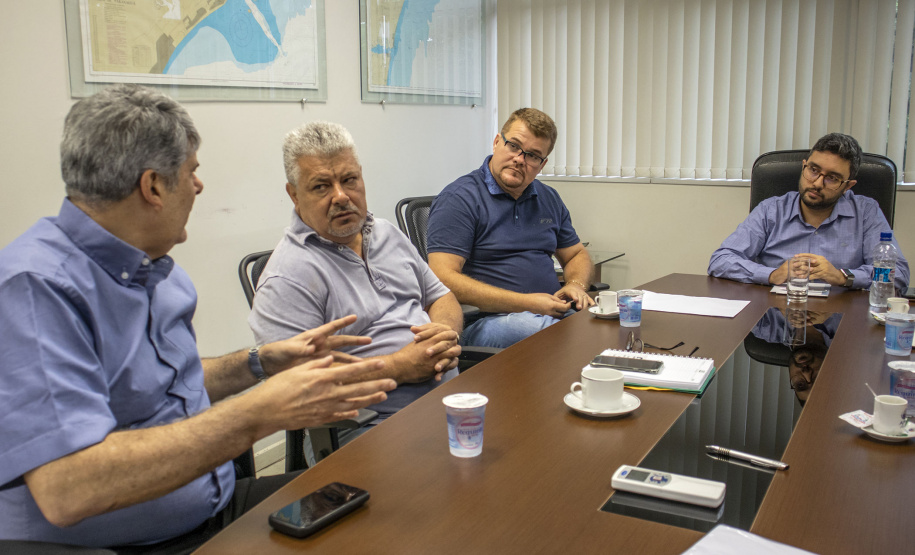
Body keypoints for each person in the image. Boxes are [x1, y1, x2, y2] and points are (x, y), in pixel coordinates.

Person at [0, 84, 397, 552]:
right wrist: (260, 411)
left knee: (389, 503)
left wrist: (260, 363)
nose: (198, 185)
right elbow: (68, 486)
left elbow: (163, 382)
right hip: (126, 543)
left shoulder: (157, 268)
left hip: (215, 505)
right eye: (191, 172)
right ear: (152, 187)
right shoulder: (35, 287)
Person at [248, 122, 463, 424]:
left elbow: (442, 298)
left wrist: (444, 332)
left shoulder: (387, 233)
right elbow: (295, 388)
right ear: (294, 194)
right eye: (321, 186)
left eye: (349, 180)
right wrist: (398, 367)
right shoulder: (288, 275)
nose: (340, 196)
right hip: (371, 427)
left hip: (452, 402)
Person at [426, 108, 595, 349]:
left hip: (550, 314)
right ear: (496, 142)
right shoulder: (459, 198)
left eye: (533, 155)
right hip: (486, 321)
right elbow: (442, 278)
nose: (519, 159)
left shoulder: (548, 198)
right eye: (513, 146)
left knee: (606, 321)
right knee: (560, 334)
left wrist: (575, 285)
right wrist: (527, 303)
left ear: (542, 164)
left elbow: (577, 254)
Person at [708, 132, 909, 291]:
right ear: (804, 166)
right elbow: (720, 261)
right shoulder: (771, 210)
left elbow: (898, 274)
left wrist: (843, 277)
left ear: (848, 186)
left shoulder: (866, 212)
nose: (817, 183)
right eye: (813, 170)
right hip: (777, 319)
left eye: (832, 178)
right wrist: (771, 275)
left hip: (842, 321)